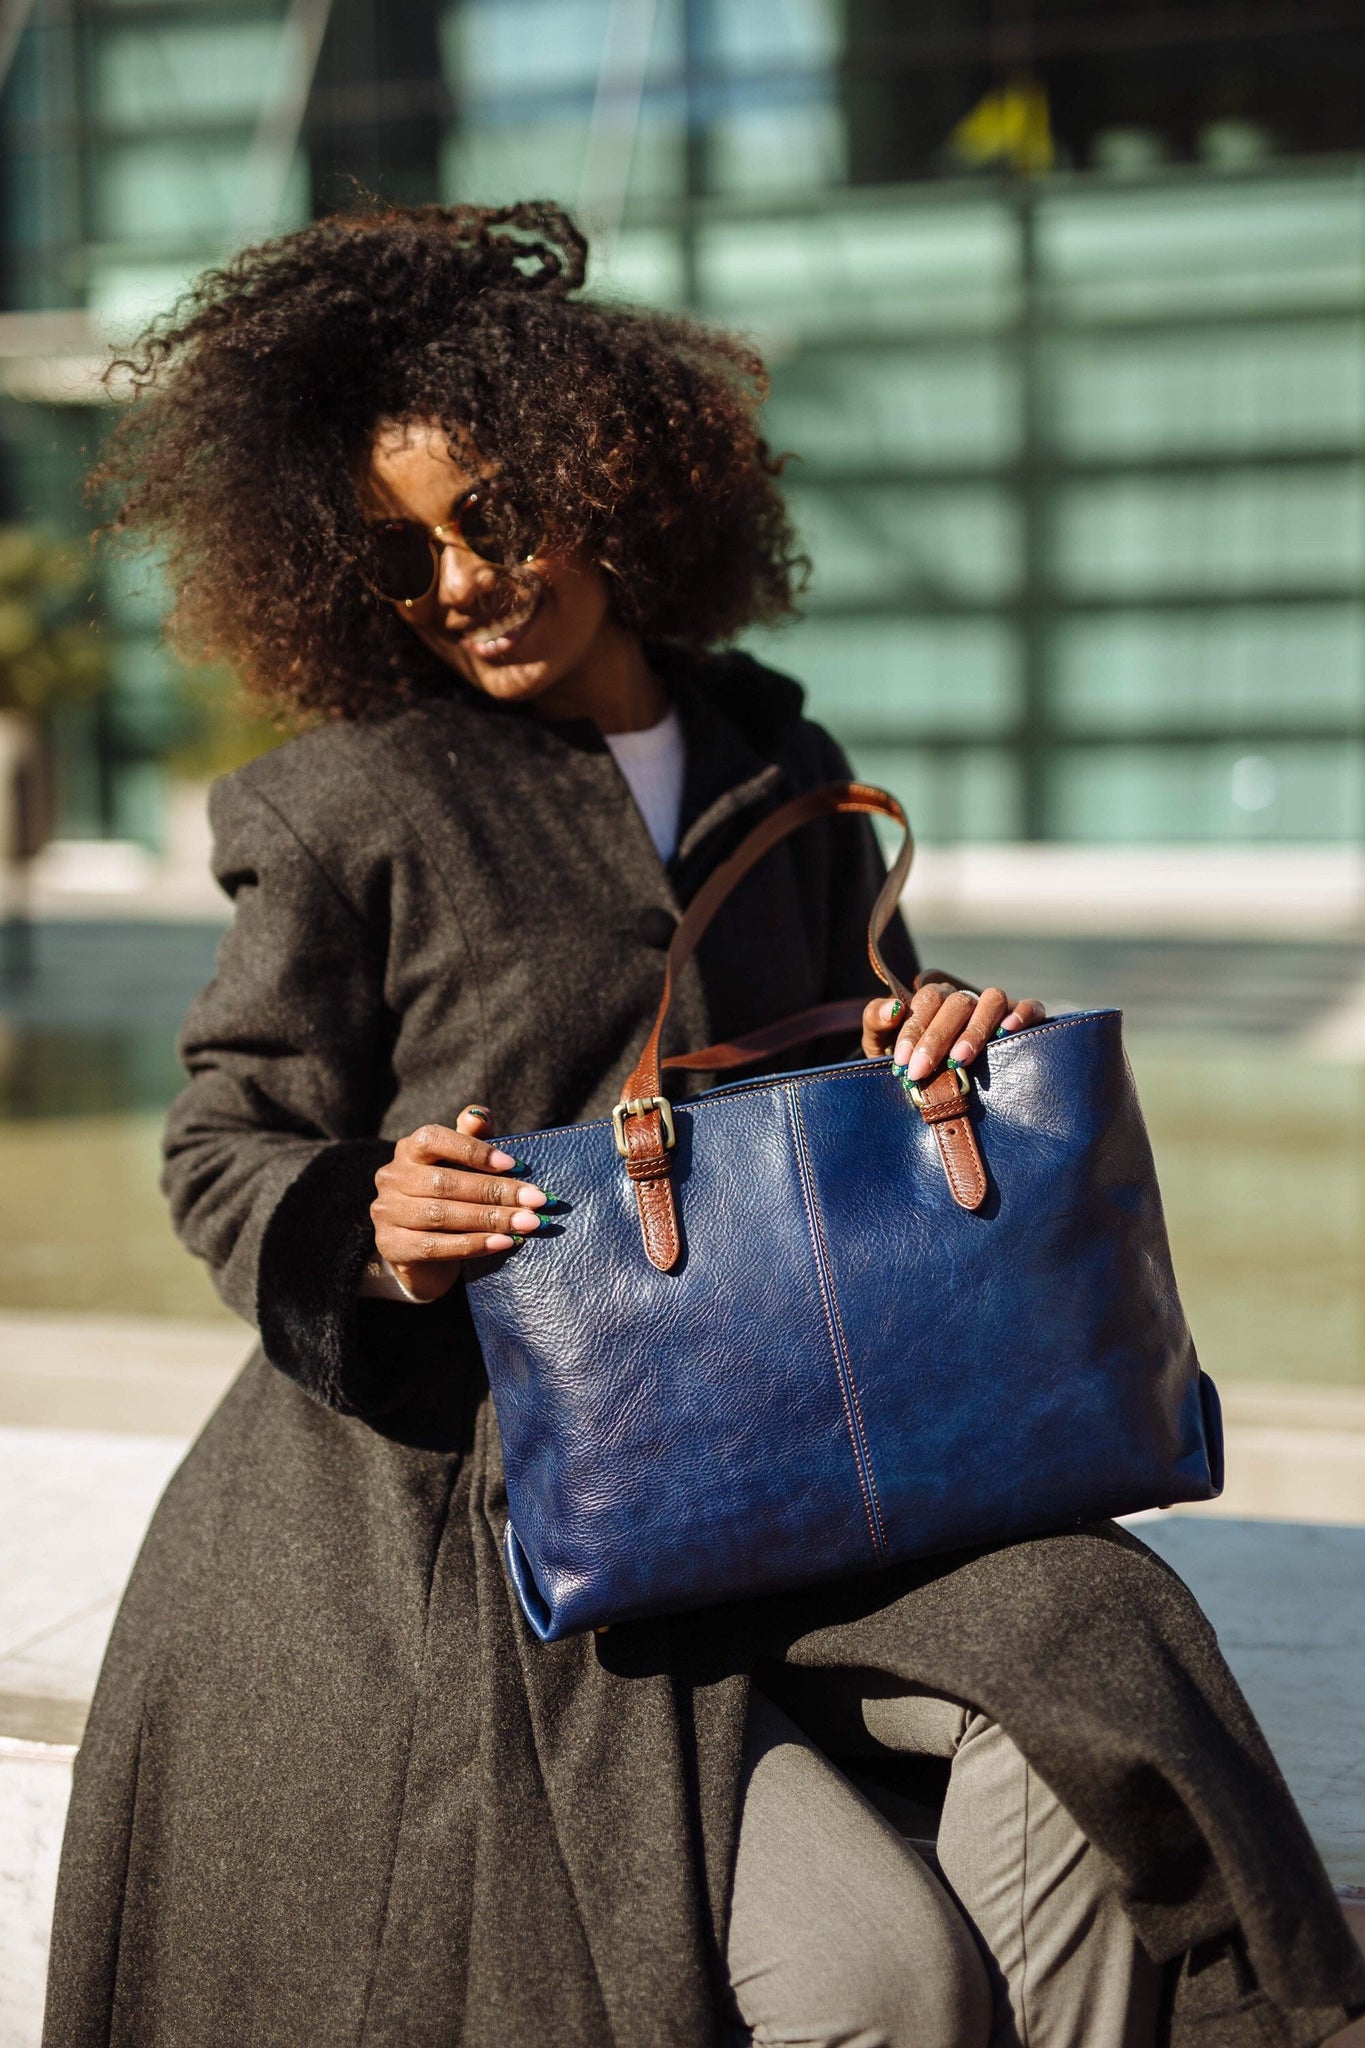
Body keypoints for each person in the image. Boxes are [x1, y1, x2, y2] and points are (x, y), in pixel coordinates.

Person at [44, 202, 1364, 2048]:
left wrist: (936, 1033)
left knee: (1096, 1693)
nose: (463, 582)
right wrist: (370, 1213)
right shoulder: (347, 803)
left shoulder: (782, 763)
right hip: (457, 1486)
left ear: (608, 486)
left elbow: (856, 1029)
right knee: (877, 1977)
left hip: (801, 1418)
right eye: (401, 554)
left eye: (495, 514)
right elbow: (227, 1138)